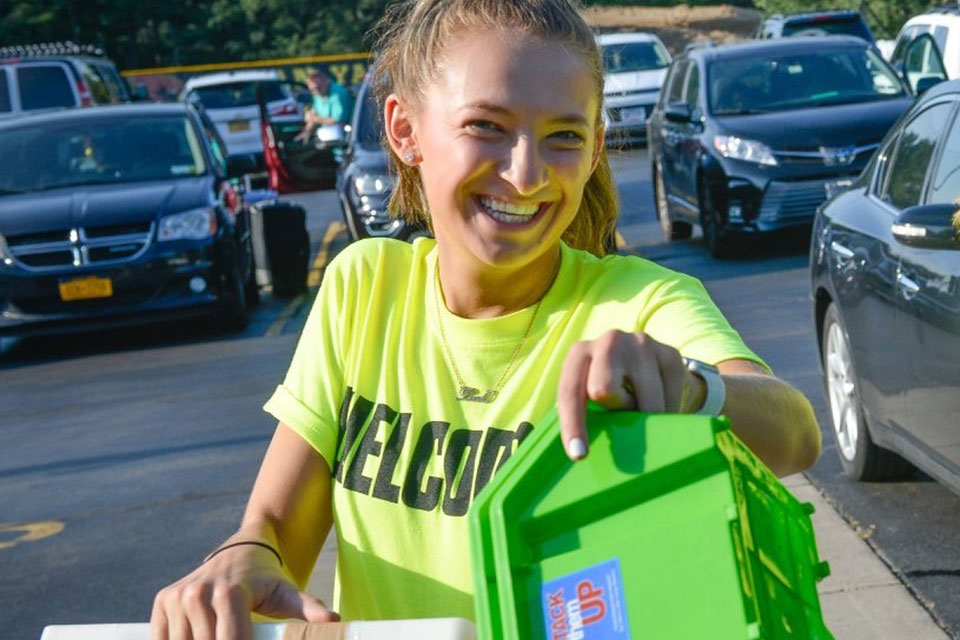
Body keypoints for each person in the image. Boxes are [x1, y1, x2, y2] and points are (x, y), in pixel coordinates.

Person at [151, 0, 822, 637]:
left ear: (593, 154)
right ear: (406, 131)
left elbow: (795, 431)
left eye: (564, 137)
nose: (526, 174)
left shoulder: (639, 304)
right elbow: (272, 527)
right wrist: (239, 560)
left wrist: (687, 386)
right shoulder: (363, 288)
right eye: (486, 127)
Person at [300, 67, 353, 133]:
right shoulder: (318, 93)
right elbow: (313, 114)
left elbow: (339, 123)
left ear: (326, 81)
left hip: (344, 134)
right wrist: (305, 133)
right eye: (312, 89)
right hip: (327, 132)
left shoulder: (338, 95)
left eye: (317, 88)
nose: (315, 91)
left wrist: (314, 119)